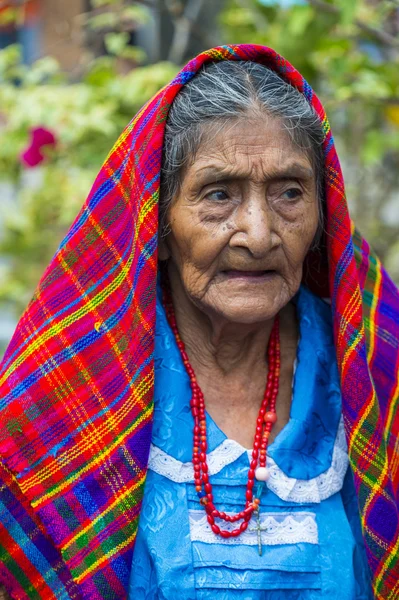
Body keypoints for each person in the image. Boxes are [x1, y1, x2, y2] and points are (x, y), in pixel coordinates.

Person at [0, 44, 398, 600]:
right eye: (219, 194)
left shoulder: (378, 372)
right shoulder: (73, 389)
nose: (259, 233)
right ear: (157, 224)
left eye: (289, 192)